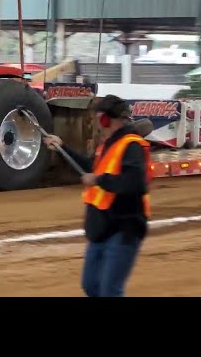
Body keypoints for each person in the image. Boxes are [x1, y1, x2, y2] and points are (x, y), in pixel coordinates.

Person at [43, 94, 153, 297]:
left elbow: (135, 182)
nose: (98, 125)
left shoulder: (132, 146)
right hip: (102, 228)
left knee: (109, 291)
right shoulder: (108, 145)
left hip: (124, 228)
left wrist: (99, 180)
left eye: (99, 119)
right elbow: (90, 168)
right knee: (91, 285)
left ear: (106, 119)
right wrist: (61, 148)